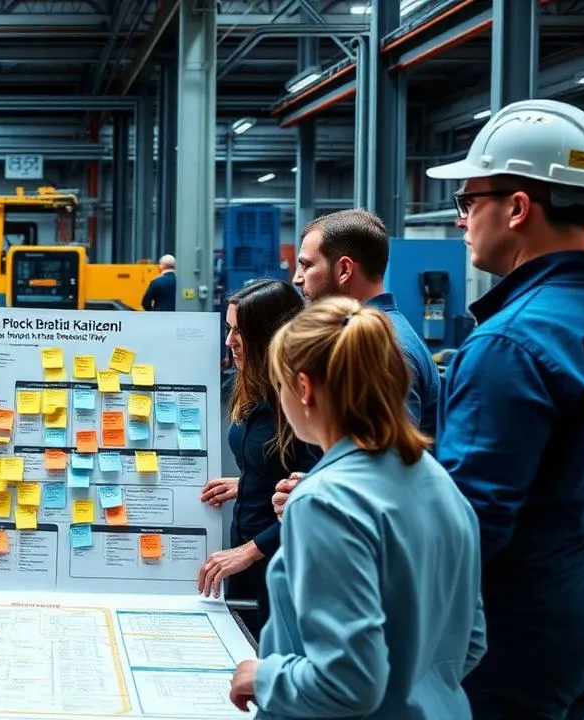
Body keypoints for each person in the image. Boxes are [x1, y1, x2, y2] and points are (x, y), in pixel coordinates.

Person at [424, 98, 584, 719]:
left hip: (510, 626)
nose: (461, 219)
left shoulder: (508, 343)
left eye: (468, 201)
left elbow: (469, 526)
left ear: (516, 208)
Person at [229, 296, 486, 718]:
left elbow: (347, 683)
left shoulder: (323, 503)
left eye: (279, 384)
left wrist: (265, 678)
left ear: (304, 389)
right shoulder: (440, 483)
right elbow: (470, 641)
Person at [197, 279, 316, 639]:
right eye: (229, 329)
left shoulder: (301, 405)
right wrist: (248, 482)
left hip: (281, 561)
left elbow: (314, 503)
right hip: (247, 553)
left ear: (269, 336)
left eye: (240, 332)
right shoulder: (257, 388)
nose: (230, 341)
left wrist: (251, 550)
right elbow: (278, 466)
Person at [292, 209, 440, 438]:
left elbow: (389, 454)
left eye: (306, 265)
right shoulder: (373, 335)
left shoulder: (382, 348)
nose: (297, 278)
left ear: (344, 269)